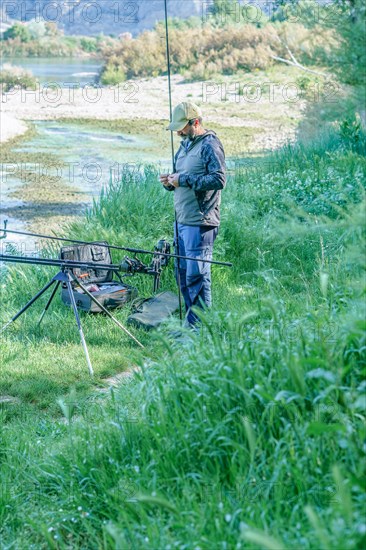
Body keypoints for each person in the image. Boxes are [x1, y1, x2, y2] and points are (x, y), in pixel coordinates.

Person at [159, 101, 226, 328]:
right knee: (183, 275)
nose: (178, 132)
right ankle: (191, 325)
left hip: (201, 222)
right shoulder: (185, 145)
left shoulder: (210, 145)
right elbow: (181, 177)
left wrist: (184, 180)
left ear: (195, 122)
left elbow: (218, 180)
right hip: (182, 221)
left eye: (181, 127)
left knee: (197, 278)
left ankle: (200, 331)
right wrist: (170, 181)